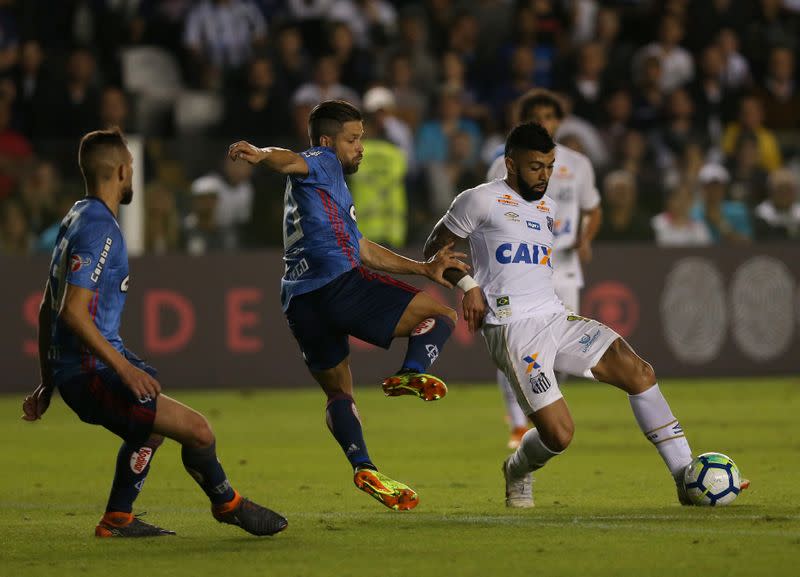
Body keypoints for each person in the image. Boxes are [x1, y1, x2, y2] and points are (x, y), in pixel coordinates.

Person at [424, 121, 742, 507]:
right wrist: (469, 286)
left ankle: (686, 478)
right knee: (559, 435)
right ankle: (517, 469)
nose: (544, 175)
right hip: (513, 329)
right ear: (510, 164)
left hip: (555, 317)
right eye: (535, 166)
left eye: (549, 165)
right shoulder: (479, 200)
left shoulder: (548, 207)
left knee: (639, 372)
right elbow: (433, 251)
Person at [22, 129, 287, 537]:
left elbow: (46, 306)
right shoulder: (98, 229)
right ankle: (227, 504)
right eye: (131, 168)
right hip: (92, 371)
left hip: (81, 368)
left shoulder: (76, 216)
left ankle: (118, 518)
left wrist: (46, 380)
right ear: (124, 171)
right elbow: (72, 312)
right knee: (199, 431)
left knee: (154, 429)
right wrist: (123, 372)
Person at [228, 100, 467, 511]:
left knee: (339, 391)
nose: (361, 148)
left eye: (362, 139)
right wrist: (262, 154)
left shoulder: (324, 190)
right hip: (339, 284)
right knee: (441, 315)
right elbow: (288, 161)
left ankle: (363, 466)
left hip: (300, 300)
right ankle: (412, 372)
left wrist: (423, 269)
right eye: (353, 139)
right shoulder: (322, 161)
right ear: (326, 141)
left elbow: (362, 248)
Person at [487, 89, 601, 449]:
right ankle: (519, 424)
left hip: (564, 263)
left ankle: (543, 409)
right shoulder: (502, 163)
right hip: (521, 262)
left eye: (550, 118)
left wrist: (586, 238)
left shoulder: (578, 164)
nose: (545, 123)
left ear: (559, 121)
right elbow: (487, 210)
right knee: (515, 342)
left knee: (564, 352)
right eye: (536, 118)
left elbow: (593, 208)